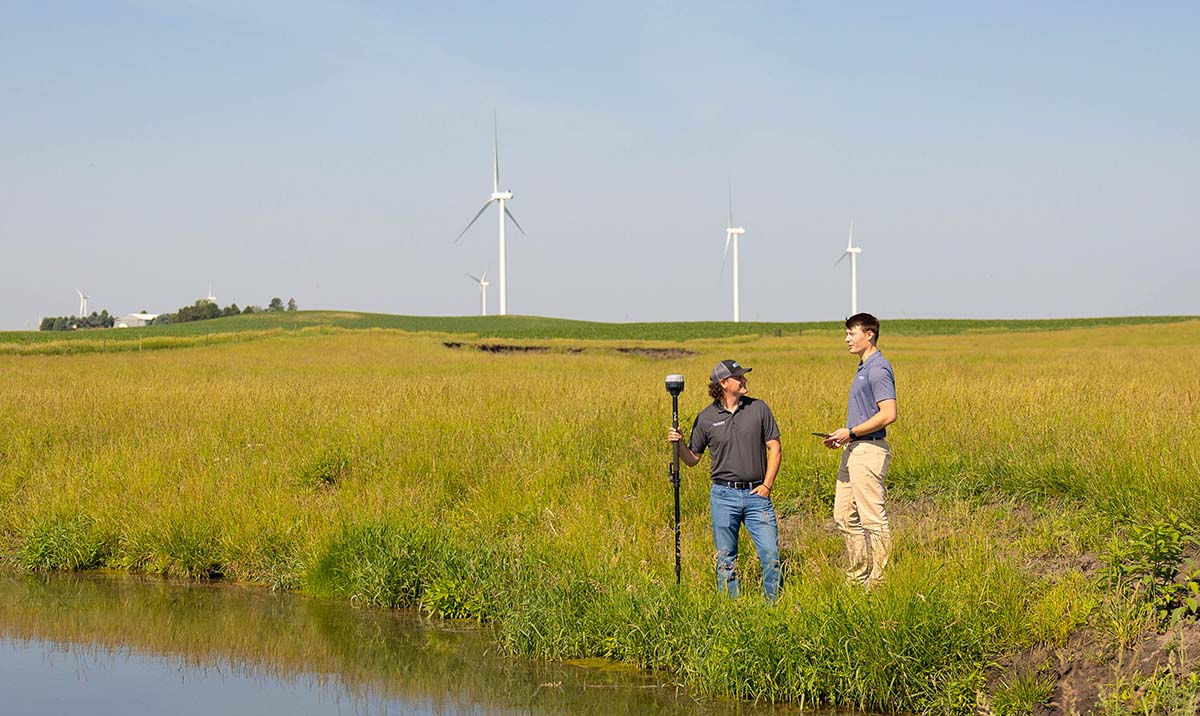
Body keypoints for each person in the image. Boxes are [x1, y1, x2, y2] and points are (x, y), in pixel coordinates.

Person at [668, 359, 782, 600]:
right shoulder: (706, 418)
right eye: (739, 377)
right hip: (723, 496)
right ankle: (731, 608)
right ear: (723, 383)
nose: (744, 380)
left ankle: (776, 605)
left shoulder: (759, 408)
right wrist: (679, 444)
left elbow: (775, 447)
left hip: (757, 496)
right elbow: (692, 459)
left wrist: (767, 485)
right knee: (725, 558)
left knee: (770, 554)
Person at [822, 313, 897, 588]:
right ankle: (857, 574)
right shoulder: (863, 368)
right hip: (854, 448)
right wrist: (844, 436)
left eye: (851, 333)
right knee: (842, 514)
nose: (846, 339)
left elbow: (889, 413)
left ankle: (879, 580)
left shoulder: (878, 369)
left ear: (869, 335)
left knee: (872, 517)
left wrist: (851, 432)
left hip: (869, 449)